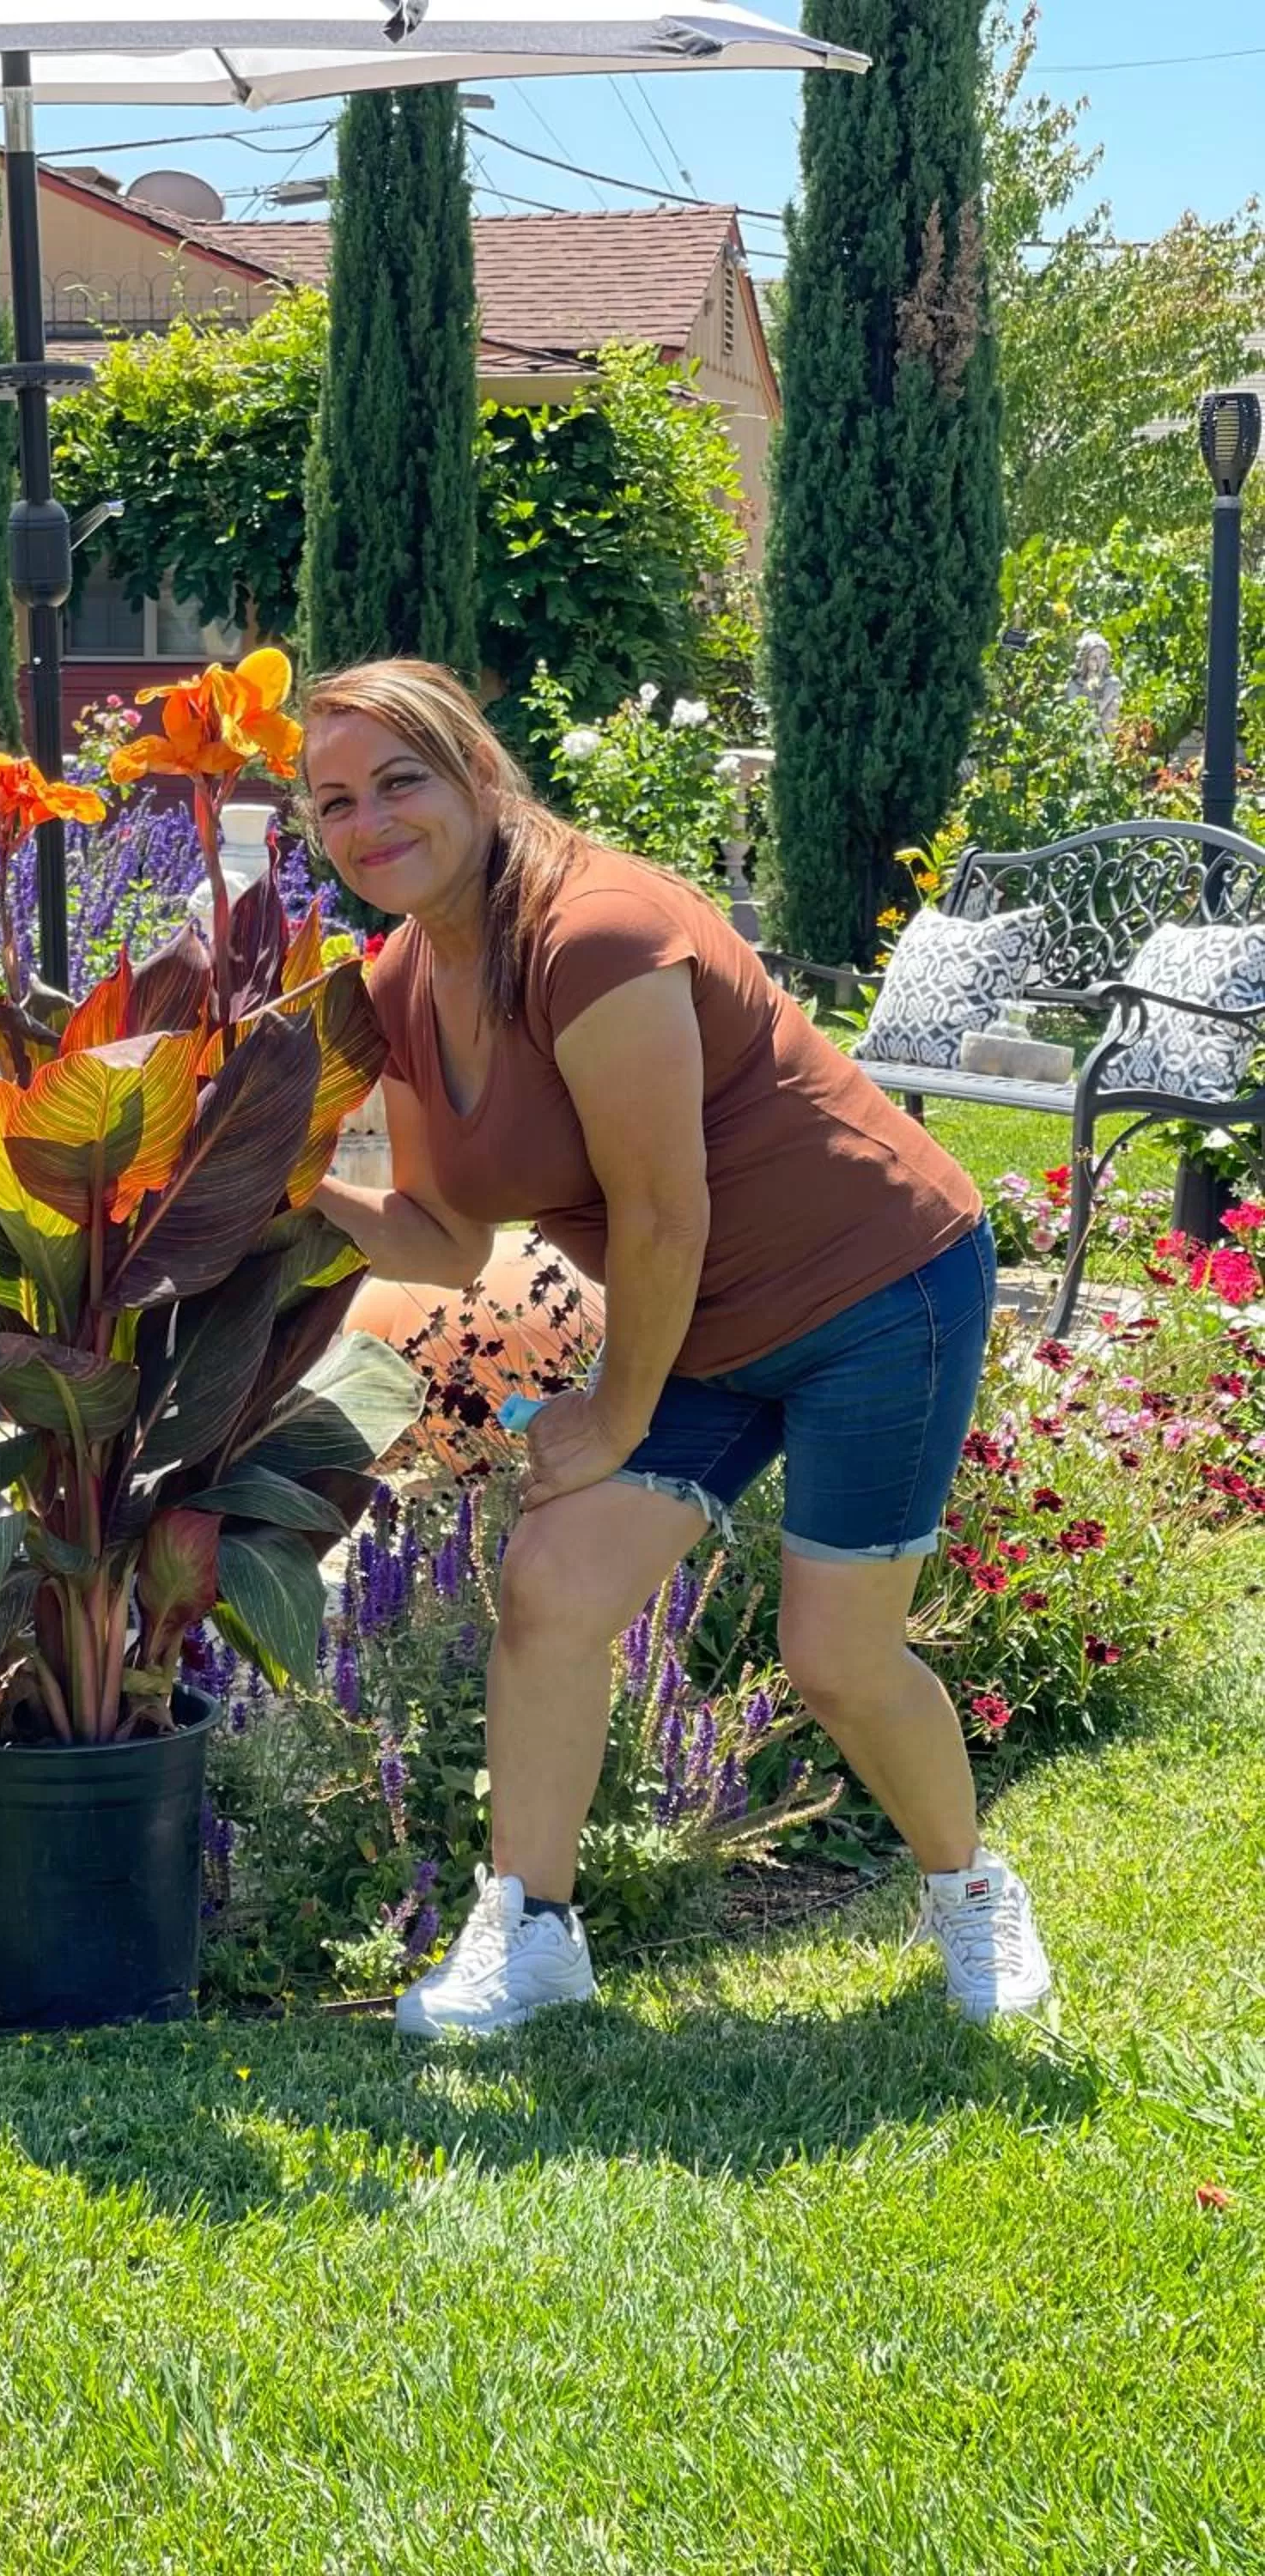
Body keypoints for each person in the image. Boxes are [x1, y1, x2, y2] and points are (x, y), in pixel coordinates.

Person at [301, 659, 1055, 2041]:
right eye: (334, 800)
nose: (368, 822)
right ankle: (531, 1933)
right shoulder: (400, 980)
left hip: (874, 1291)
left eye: (398, 780)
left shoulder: (594, 931)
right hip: (698, 1318)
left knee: (835, 1656)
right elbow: (438, 1237)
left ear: (476, 773)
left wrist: (612, 1410)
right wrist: (270, 1185)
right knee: (550, 1591)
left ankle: (968, 1889)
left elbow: (662, 1207)